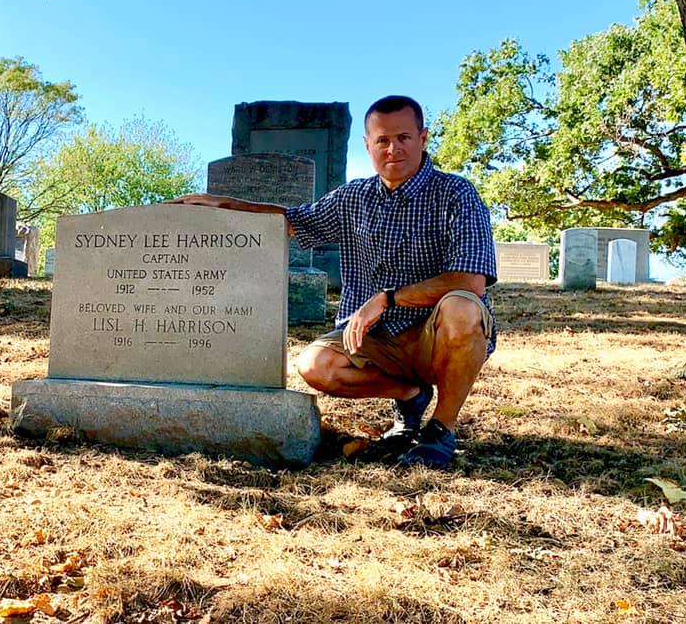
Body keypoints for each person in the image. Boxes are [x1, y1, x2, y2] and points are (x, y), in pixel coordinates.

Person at [169, 95, 497, 468]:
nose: (393, 148)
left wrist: (386, 299)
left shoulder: (456, 194)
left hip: (432, 337)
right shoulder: (353, 198)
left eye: (404, 137)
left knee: (462, 308)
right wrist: (224, 205)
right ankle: (409, 394)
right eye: (382, 140)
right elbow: (291, 220)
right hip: (374, 340)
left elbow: (471, 281)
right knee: (315, 365)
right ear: (367, 145)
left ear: (423, 137)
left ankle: (441, 430)